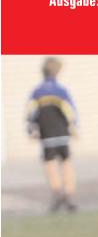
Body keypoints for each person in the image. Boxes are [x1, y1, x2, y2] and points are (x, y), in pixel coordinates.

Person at [25, 57, 79, 211]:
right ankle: (69, 196)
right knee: (66, 164)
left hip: (47, 136)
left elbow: (30, 113)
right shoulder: (61, 91)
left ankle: (57, 193)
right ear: (58, 72)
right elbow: (71, 111)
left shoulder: (37, 92)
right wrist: (75, 127)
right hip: (62, 134)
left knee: (50, 166)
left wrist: (31, 130)